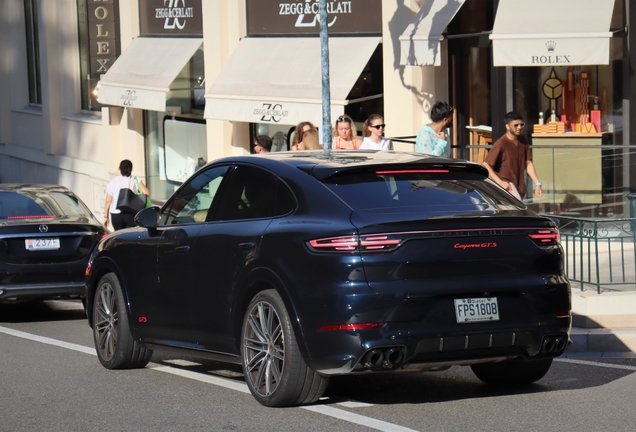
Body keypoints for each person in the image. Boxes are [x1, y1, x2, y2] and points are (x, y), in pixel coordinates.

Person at [483, 112, 543, 201]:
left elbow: (528, 163)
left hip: (519, 186)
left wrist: (537, 184)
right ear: (507, 126)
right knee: (519, 212)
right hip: (507, 186)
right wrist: (500, 182)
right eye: (516, 125)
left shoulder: (523, 140)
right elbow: (485, 164)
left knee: (514, 213)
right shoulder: (501, 143)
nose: (519, 127)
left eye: (521, 124)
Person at [103, 159, 150, 230]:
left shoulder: (113, 181)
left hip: (116, 215)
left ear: (120, 169)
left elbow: (108, 201)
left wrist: (106, 217)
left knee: (119, 237)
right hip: (130, 214)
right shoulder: (135, 180)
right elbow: (147, 193)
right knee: (130, 236)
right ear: (131, 169)